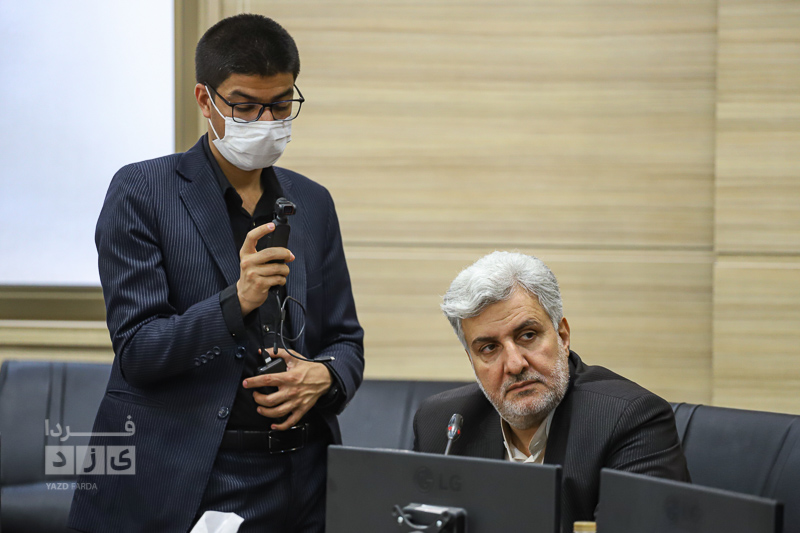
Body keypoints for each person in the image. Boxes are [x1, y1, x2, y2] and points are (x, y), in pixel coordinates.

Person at [68, 14, 364, 533]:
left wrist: (326, 375)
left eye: (280, 105)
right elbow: (138, 351)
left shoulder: (312, 201)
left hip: (302, 479)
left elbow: (345, 340)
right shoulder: (143, 192)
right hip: (188, 473)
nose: (265, 121)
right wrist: (239, 299)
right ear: (205, 100)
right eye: (245, 106)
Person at [413, 251, 689, 530]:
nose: (515, 364)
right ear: (471, 361)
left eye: (528, 335)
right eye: (489, 348)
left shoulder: (630, 420)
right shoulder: (441, 426)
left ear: (563, 337)